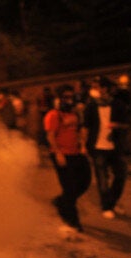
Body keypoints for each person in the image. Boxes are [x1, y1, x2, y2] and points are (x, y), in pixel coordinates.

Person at [44, 84, 91, 232]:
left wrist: (83, 145)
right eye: (65, 97)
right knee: (69, 188)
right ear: (59, 99)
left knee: (85, 181)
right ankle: (72, 221)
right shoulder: (53, 115)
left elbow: (81, 129)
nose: (69, 100)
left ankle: (61, 201)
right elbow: (50, 135)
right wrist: (58, 153)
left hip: (76, 152)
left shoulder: (75, 113)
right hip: (62, 154)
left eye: (71, 97)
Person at [84, 76, 130, 219]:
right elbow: (86, 127)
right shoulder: (91, 106)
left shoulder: (118, 104)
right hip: (97, 147)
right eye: (95, 87)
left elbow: (127, 124)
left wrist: (117, 126)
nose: (96, 90)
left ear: (106, 89)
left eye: (98, 87)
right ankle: (106, 206)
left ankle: (113, 201)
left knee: (121, 175)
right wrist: (83, 145)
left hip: (115, 147)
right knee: (102, 179)